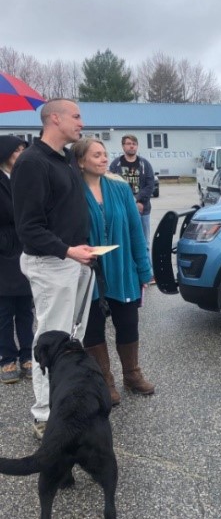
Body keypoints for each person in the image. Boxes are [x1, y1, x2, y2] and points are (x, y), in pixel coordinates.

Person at [11, 99, 98, 439]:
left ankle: (68, 404)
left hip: (75, 260)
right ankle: (45, 414)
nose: (81, 122)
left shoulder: (64, 161)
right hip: (51, 264)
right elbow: (28, 228)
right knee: (50, 339)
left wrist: (83, 248)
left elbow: (66, 213)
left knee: (71, 338)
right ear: (55, 119)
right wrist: (66, 250)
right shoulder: (32, 163)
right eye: (76, 116)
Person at [72, 137, 155, 405]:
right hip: (89, 272)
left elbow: (135, 230)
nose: (104, 159)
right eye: (96, 155)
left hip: (122, 269)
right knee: (93, 329)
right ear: (81, 161)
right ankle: (104, 381)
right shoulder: (72, 191)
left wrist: (144, 269)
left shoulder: (118, 188)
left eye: (104, 154)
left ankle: (132, 374)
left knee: (128, 324)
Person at [0, 136, 34, 384]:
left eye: (24, 149)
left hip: (26, 247)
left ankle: (28, 354)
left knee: (25, 308)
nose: (21, 153)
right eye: (16, 149)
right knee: (4, 311)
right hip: (4, 250)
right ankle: (7, 358)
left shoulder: (25, 177)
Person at [108, 134, 155, 273]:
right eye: (128, 143)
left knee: (144, 242)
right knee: (124, 241)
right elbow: (111, 185)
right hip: (122, 209)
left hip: (143, 209)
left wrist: (136, 200)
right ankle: (129, 270)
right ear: (123, 146)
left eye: (134, 143)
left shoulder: (144, 164)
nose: (131, 146)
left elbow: (150, 185)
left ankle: (148, 272)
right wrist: (127, 203)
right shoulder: (116, 164)